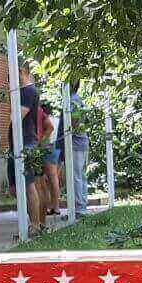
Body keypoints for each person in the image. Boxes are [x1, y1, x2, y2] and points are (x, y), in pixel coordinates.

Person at [6, 60, 44, 233]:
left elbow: (17, 117)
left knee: (29, 186)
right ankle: (33, 222)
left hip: (26, 143)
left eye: (10, 77)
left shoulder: (28, 91)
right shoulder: (25, 91)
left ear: (21, 72)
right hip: (18, 144)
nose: (9, 82)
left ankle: (35, 224)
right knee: (15, 188)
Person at [57, 81, 91, 215]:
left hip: (76, 143)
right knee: (80, 176)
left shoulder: (72, 101)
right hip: (81, 142)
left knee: (76, 176)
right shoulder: (77, 100)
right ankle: (81, 206)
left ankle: (80, 209)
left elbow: (75, 121)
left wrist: (68, 128)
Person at [40, 101, 61, 216]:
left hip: (48, 147)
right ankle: (55, 206)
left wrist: (41, 143)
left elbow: (49, 131)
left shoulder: (46, 120)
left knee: (49, 179)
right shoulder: (57, 119)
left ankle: (50, 207)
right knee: (54, 179)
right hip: (57, 148)